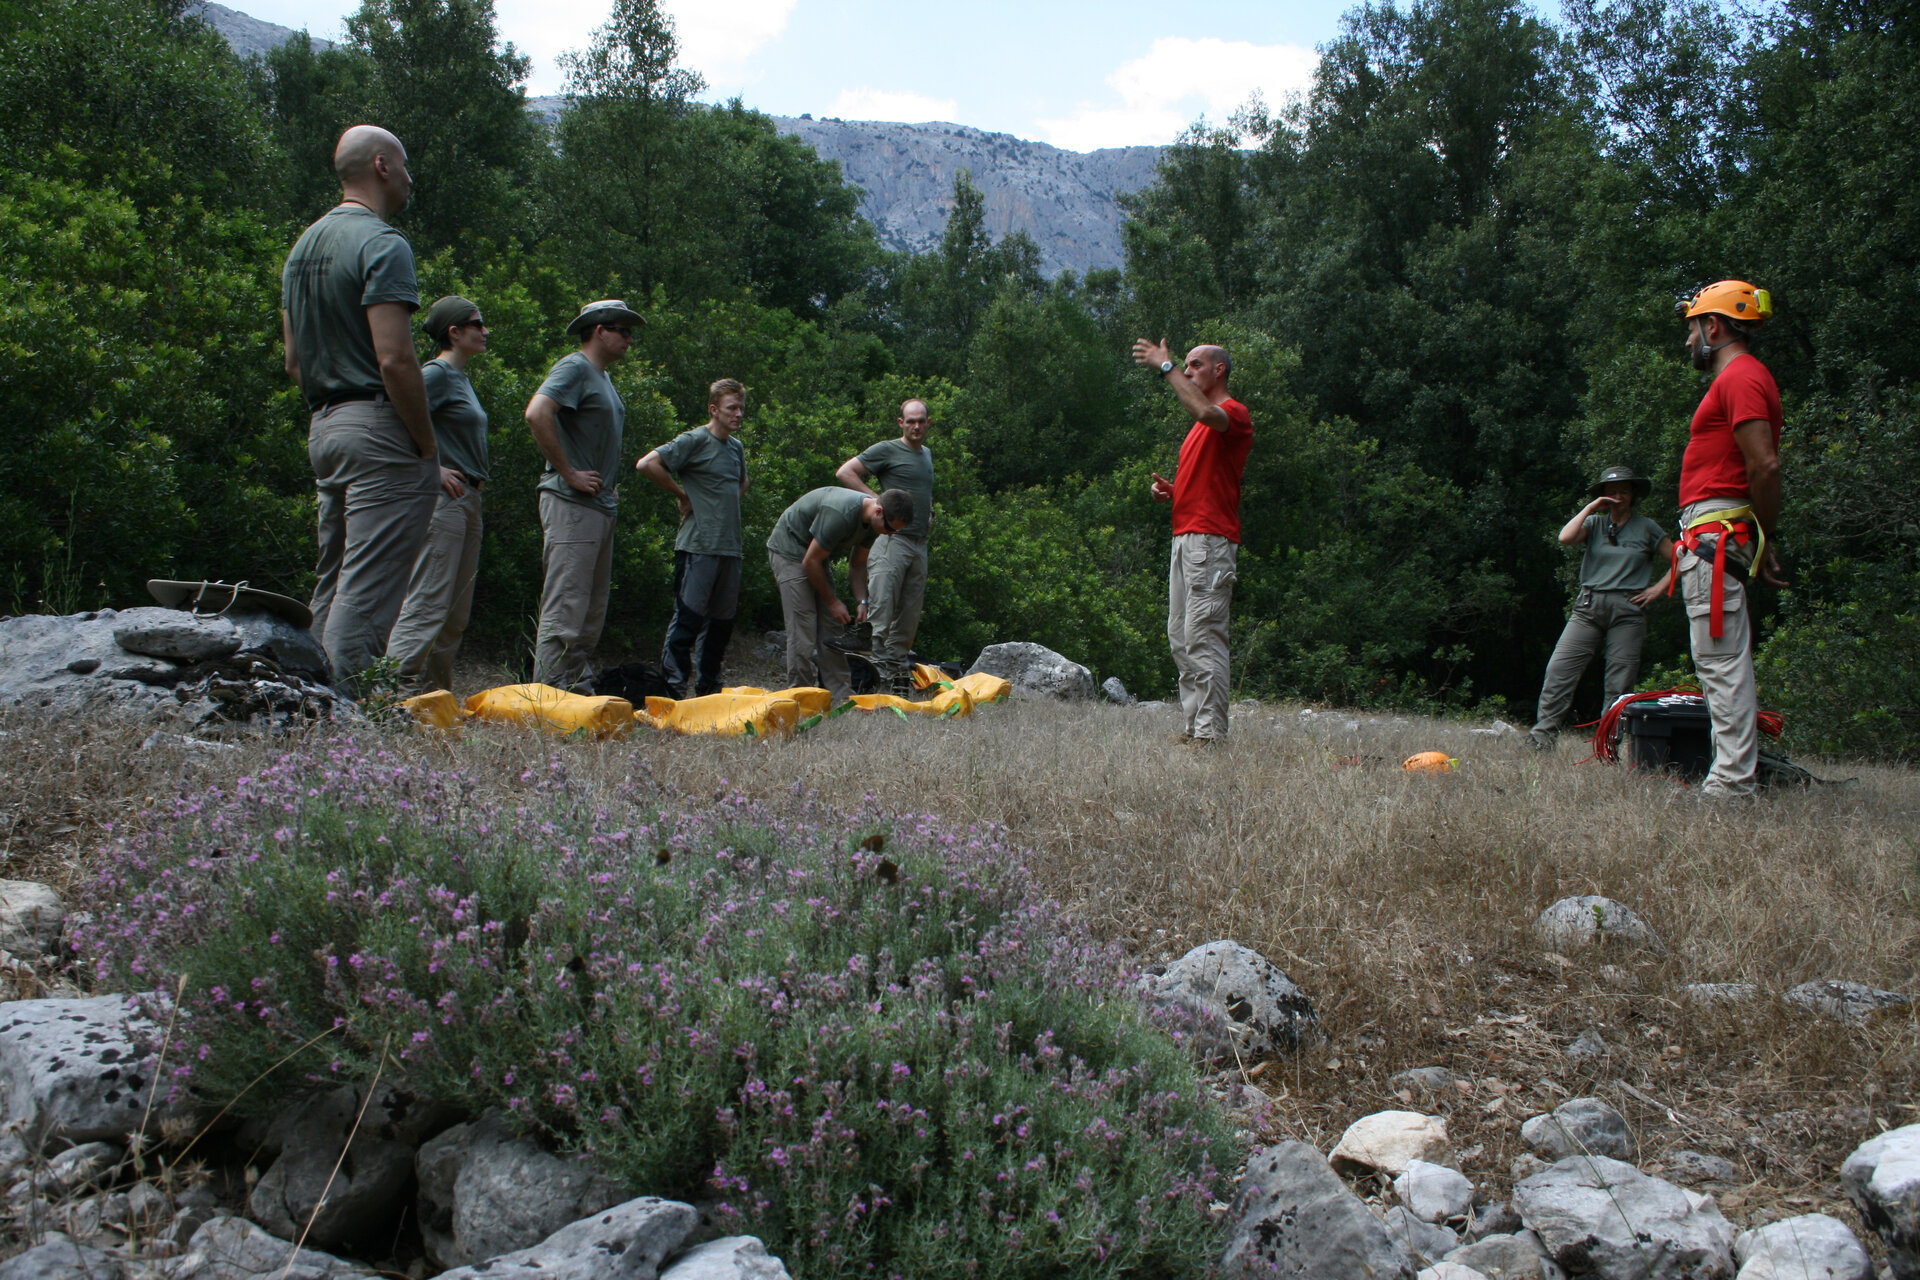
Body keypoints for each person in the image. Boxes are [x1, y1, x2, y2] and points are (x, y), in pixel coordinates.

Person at [280, 124, 439, 693]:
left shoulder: (303, 247)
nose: (410, 176)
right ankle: (342, 718)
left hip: (324, 424)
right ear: (380, 166)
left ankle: (302, 699)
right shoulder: (382, 242)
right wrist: (425, 444)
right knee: (368, 586)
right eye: (404, 164)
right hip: (377, 428)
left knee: (333, 578)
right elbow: (396, 359)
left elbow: (295, 361)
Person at [1672, 280, 1787, 800]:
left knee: (1719, 661)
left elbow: (1764, 465)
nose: (1688, 341)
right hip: (1719, 533)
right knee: (1721, 659)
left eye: (1692, 329)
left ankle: (1731, 785)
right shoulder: (1744, 377)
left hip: (1716, 533)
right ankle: (1733, 775)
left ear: (1712, 326)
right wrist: (1759, 540)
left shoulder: (1739, 377)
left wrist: (1762, 536)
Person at [1131, 338, 1253, 747]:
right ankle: (1194, 727)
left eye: (1195, 365)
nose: (1187, 372)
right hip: (1187, 538)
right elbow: (1209, 480)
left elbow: (1203, 409)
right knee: (1181, 637)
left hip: (1210, 542)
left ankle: (1211, 735)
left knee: (1204, 635)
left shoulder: (1231, 414)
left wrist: (1165, 368)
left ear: (1219, 370)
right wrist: (1174, 489)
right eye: (1184, 365)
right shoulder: (1198, 431)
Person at [524, 299, 641, 691]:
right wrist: (569, 472)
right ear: (598, 330)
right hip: (571, 504)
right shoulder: (575, 367)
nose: (629, 338)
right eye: (622, 330)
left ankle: (574, 689)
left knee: (591, 609)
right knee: (566, 606)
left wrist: (608, 485)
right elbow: (537, 412)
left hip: (598, 507)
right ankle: (549, 698)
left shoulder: (602, 377)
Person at [383, 297, 492, 695]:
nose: (484, 331)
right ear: (454, 331)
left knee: (455, 613)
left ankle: (433, 700)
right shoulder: (436, 374)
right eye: (477, 324)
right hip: (443, 500)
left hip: (469, 500)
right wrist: (431, 469)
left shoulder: (459, 379)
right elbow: (391, 419)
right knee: (428, 601)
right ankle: (390, 696)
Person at [1529, 467, 1676, 749]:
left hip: (1627, 611)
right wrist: (1590, 507)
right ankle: (1541, 738)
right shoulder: (1595, 523)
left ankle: (1608, 745)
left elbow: (1679, 559)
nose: (1618, 496)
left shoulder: (1647, 527)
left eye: (1624, 491)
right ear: (1603, 496)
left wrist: (1658, 589)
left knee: (1619, 681)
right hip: (1588, 606)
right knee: (1559, 670)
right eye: (1612, 491)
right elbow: (1565, 538)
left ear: (1633, 495)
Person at [636, 379, 749, 697]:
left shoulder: (735, 447)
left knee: (721, 625)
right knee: (688, 619)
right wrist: (682, 495)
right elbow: (647, 464)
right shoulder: (695, 439)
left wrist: (721, 503)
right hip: (698, 544)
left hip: (730, 547)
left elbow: (742, 482)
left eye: (741, 408)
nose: (738, 414)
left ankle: (708, 688)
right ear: (714, 409)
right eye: (732, 408)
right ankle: (672, 689)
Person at [766, 487, 914, 700]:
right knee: (803, 626)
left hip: (815, 555)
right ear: (878, 511)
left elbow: (858, 564)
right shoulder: (840, 514)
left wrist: (862, 601)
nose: (890, 534)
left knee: (833, 630)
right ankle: (801, 694)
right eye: (890, 528)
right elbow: (809, 562)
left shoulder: (875, 524)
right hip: (789, 550)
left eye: (895, 532)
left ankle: (841, 696)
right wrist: (833, 601)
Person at [833, 399, 935, 697]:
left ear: (928, 423)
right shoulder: (888, 449)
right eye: (910, 421)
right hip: (891, 541)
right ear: (900, 422)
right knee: (882, 611)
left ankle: (895, 676)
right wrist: (880, 502)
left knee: (909, 614)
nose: (916, 426)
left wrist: (929, 513)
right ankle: (874, 679)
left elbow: (922, 491)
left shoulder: (926, 454)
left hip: (919, 543)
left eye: (921, 421)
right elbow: (846, 472)